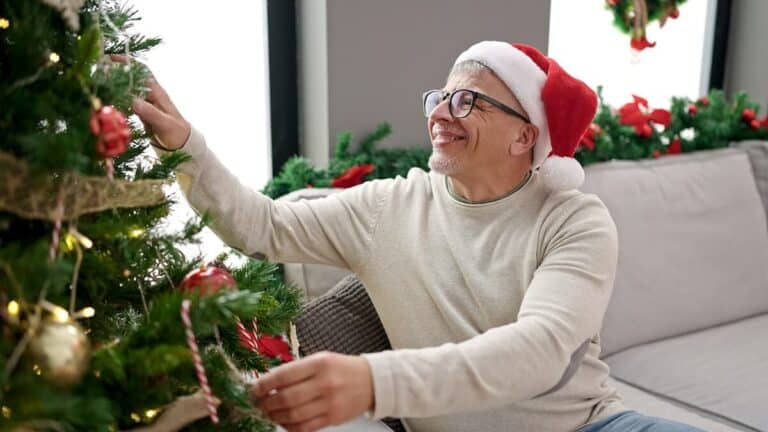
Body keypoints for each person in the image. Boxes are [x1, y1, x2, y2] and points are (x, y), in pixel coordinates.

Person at [131, 41, 704, 432]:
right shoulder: (390, 206)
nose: (439, 114)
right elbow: (263, 227)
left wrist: (374, 381)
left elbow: (538, 351)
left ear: (524, 135)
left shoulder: (574, 220)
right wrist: (186, 147)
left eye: (467, 101)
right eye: (439, 98)